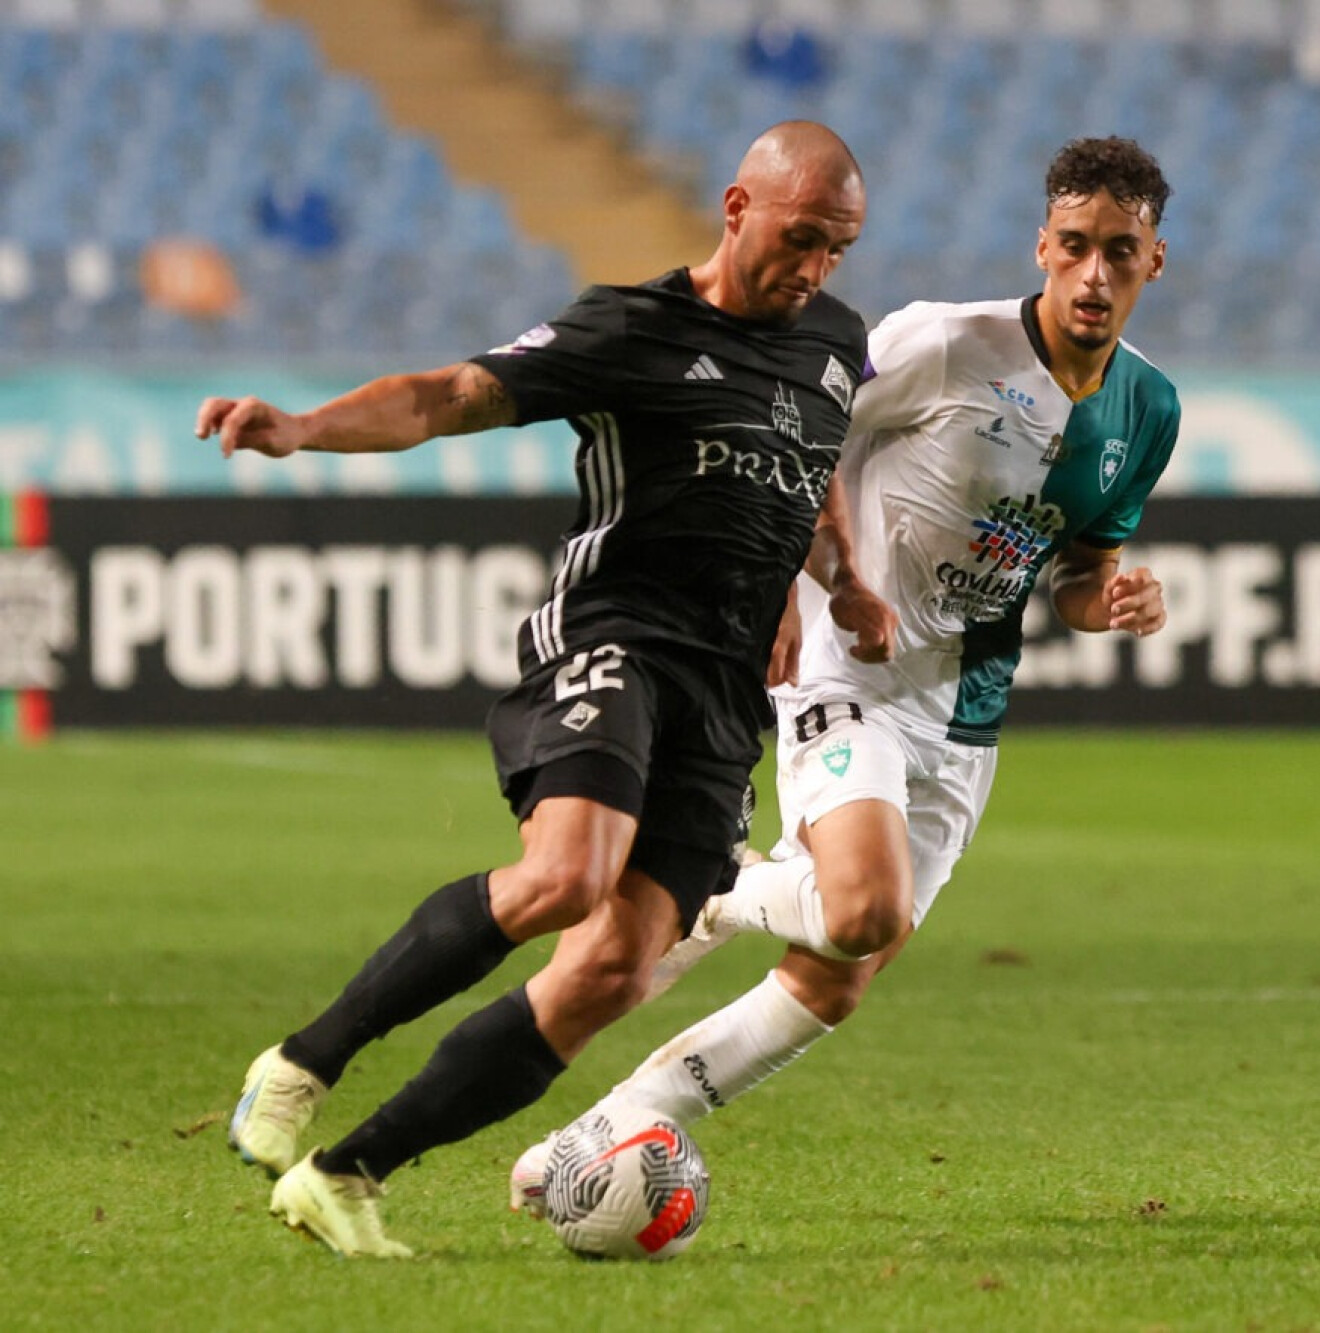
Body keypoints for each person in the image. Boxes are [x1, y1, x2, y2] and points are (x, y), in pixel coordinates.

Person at [198, 120, 871, 1258]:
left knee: (610, 969)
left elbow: (811, 470)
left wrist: (834, 581)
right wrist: (303, 429)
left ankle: (347, 1172)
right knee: (567, 876)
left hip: (720, 698)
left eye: (837, 250)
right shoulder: (632, 326)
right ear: (736, 207)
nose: (813, 270)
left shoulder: (836, 342)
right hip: (614, 635)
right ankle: (302, 1062)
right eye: (800, 239)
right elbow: (452, 394)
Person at [511, 136, 1179, 1197]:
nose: (1095, 275)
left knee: (839, 973)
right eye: (1076, 247)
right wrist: (789, 584)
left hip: (963, 716)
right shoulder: (940, 344)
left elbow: (1082, 568)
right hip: (846, 664)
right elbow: (798, 438)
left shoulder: (1149, 411)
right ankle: (716, 883)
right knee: (862, 906)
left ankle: (601, 1134)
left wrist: (1113, 599)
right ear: (1041, 246)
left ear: (1154, 262)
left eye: (1121, 253)